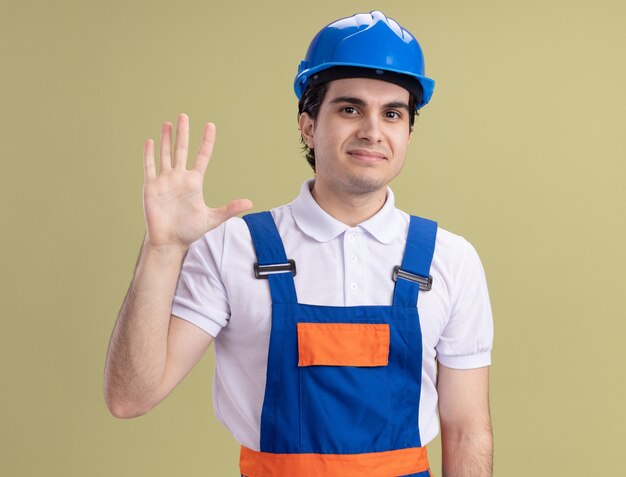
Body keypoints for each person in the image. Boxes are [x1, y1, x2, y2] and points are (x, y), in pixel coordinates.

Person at [104, 10, 494, 477]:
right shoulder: (234, 248)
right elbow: (130, 397)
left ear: (408, 132)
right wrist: (162, 250)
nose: (372, 130)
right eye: (350, 108)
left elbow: (467, 430)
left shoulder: (449, 259)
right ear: (308, 125)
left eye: (392, 113)